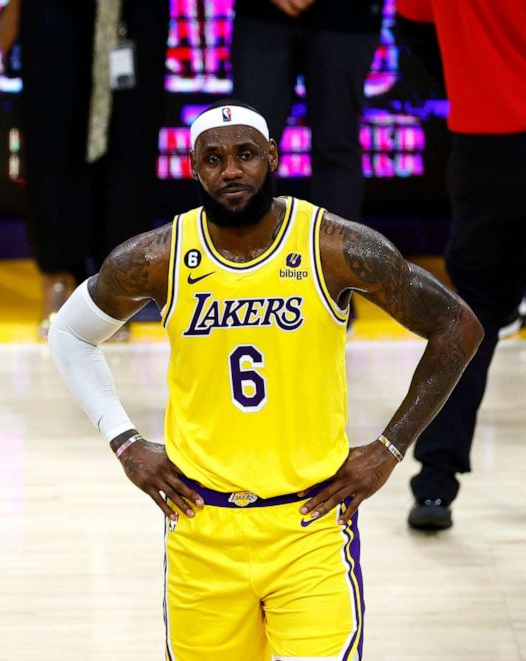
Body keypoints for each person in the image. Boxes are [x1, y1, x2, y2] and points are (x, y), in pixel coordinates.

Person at [48, 100, 481, 659]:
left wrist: (390, 448)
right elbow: (69, 335)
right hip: (200, 526)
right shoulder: (155, 257)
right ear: (194, 168)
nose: (232, 170)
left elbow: (457, 326)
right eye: (215, 158)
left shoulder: (333, 247)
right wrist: (126, 442)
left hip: (310, 525)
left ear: (272, 157)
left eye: (246, 155)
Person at [394, 0, 526, 531]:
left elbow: (413, 28)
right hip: (485, 137)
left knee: (472, 321)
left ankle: (434, 484)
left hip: (486, 144)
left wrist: (472, 80)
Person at [0, 0, 169, 339]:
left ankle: (118, 286)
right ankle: (58, 278)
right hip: (55, 12)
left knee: (131, 133)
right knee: (53, 128)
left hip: (133, 11)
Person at [231, 0, 383, 224]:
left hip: (347, 18)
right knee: (249, 145)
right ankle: (245, 252)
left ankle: (336, 254)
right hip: (260, 16)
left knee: (337, 143)